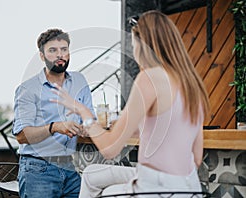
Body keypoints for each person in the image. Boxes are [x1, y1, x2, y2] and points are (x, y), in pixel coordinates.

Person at [50, 10, 210, 197]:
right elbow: (196, 157)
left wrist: (83, 112)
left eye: (134, 45)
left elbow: (110, 148)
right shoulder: (193, 86)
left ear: (143, 45)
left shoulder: (150, 78)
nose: (134, 52)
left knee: (107, 191)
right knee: (93, 175)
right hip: (188, 188)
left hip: (156, 189)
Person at [12, 28, 95, 198]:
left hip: (71, 169)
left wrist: (87, 127)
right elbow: (21, 136)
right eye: (53, 50)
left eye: (64, 49)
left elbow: (90, 118)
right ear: (42, 56)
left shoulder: (80, 81)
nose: (60, 55)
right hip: (38, 169)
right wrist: (55, 127)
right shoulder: (28, 89)